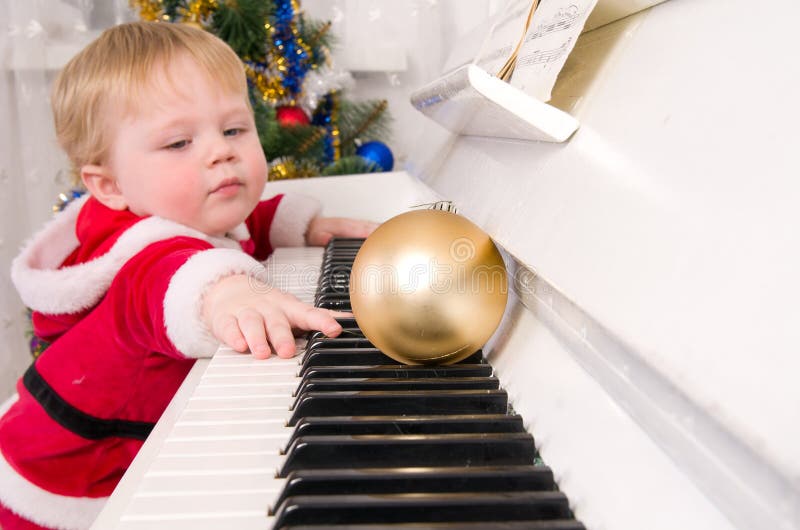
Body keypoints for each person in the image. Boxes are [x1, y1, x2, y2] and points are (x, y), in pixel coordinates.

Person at [0, 21, 376, 530]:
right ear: (109, 185)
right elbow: (160, 281)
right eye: (179, 142)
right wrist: (227, 292)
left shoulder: (177, 206)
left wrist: (298, 225)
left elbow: (227, 227)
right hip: (66, 489)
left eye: (234, 130)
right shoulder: (139, 258)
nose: (220, 151)